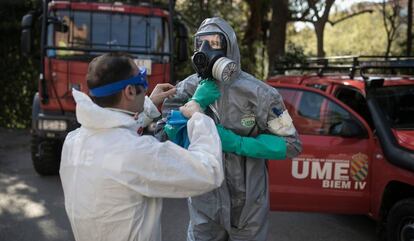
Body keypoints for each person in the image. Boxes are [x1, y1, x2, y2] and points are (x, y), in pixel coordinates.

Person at [159, 17, 303, 240]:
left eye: (215, 43)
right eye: (200, 44)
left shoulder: (260, 94)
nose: (205, 50)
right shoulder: (188, 88)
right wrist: (196, 104)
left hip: (248, 204)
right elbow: (163, 132)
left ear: (230, 47)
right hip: (203, 199)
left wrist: (237, 143)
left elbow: (291, 145)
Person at [59, 52, 224, 241]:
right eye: (142, 80)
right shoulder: (138, 152)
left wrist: (147, 106)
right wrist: (198, 117)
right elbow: (209, 172)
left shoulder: (73, 142)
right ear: (129, 91)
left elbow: (115, 132)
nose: (146, 87)